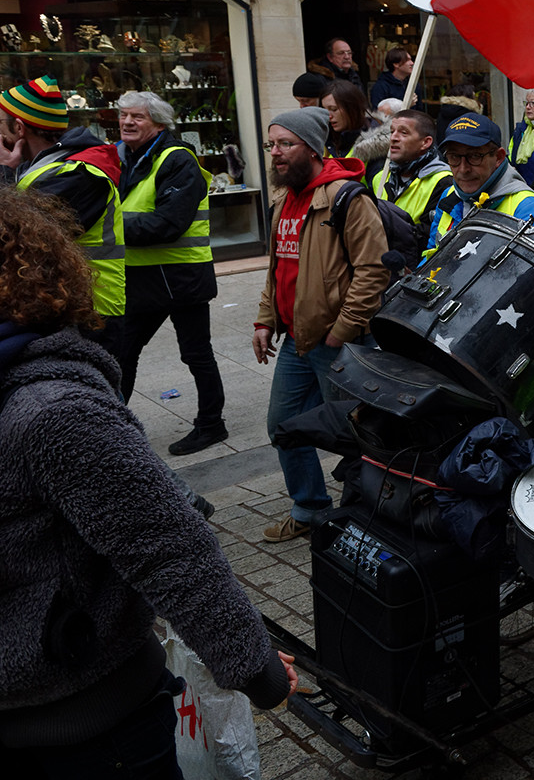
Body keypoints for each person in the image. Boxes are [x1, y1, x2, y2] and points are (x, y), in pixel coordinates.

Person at [0, 187, 298, 777]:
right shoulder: (54, 411)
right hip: (85, 720)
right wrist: (257, 669)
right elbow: (169, 549)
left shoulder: (43, 405)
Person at [254, 107, 389, 542]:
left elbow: (373, 271)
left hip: (340, 346)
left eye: (285, 144)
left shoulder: (347, 198)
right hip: (297, 343)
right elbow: (277, 270)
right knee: (283, 426)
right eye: (272, 144)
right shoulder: (283, 200)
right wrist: (265, 320)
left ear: (313, 148)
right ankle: (310, 508)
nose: (275, 153)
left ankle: (365, 519)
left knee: (355, 438)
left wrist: (342, 330)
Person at [114, 90, 228, 455]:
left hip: (182, 278)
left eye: (137, 117)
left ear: (159, 123)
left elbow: (168, 223)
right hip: (141, 278)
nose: (127, 122)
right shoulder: (122, 157)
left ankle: (211, 424)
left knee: (196, 353)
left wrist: (108, 228)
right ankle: (111, 428)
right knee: (122, 353)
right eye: (123, 115)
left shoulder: (177, 159)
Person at [0, 76, 124, 350]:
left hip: (90, 314)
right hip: (61, 305)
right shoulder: (38, 166)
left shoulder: (79, 174)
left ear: (18, 128)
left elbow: (18, 236)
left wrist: (4, 173)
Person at [428, 112, 534, 258]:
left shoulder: (530, 210)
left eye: (474, 156)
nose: (463, 169)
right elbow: (431, 256)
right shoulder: (449, 195)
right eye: (454, 157)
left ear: (498, 157)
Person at [372, 108, 452, 239]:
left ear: (425, 142)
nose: (393, 138)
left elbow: (429, 235)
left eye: (404, 133)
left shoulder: (443, 182)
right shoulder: (380, 178)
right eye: (392, 132)